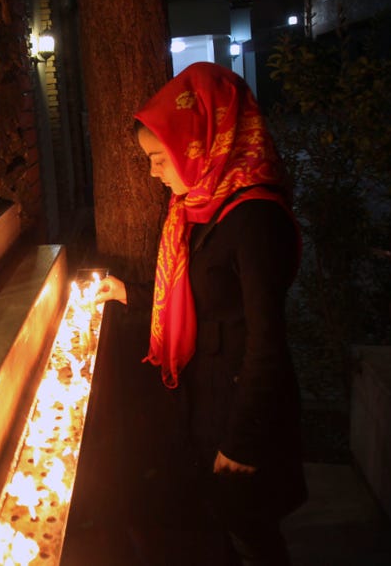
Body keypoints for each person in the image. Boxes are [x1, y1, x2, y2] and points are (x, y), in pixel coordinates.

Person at [96, 62, 307, 565]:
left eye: (156, 158)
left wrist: (243, 442)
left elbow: (267, 343)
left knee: (250, 531)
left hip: (241, 408)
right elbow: (190, 292)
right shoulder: (198, 206)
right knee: (220, 526)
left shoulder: (254, 217)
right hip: (207, 399)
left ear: (200, 140)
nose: (152, 172)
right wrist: (131, 292)